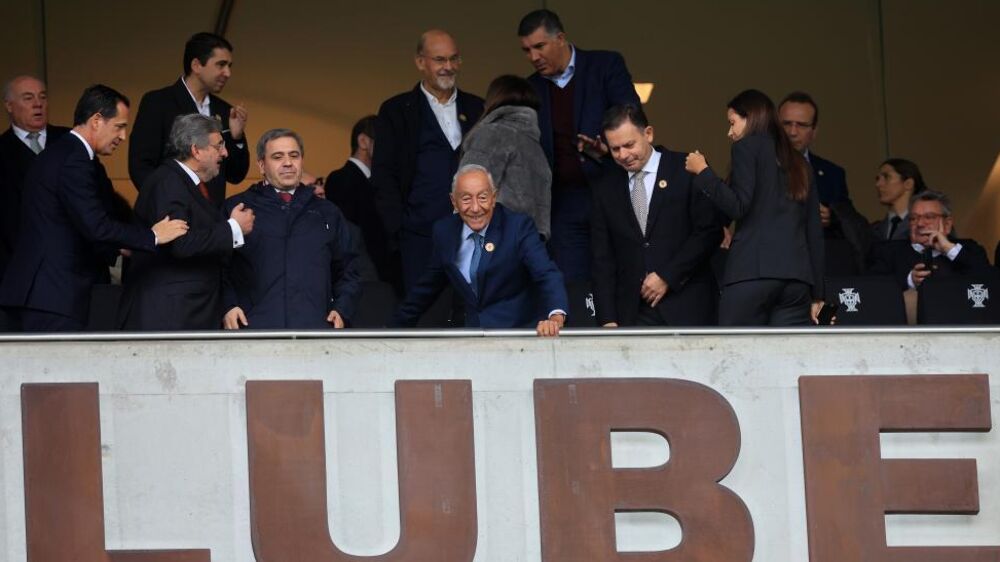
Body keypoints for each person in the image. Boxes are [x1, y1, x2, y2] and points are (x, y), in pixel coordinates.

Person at [0, 85, 189, 332]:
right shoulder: (74, 159)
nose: (123, 136)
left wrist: (121, 245)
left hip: (44, 292)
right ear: (97, 120)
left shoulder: (63, 151)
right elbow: (95, 225)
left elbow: (71, 221)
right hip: (52, 294)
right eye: (119, 126)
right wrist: (152, 236)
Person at [517, 9, 640, 281]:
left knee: (623, 274)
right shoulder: (530, 88)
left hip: (611, 189)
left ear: (560, 38)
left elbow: (631, 115)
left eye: (539, 46)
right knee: (571, 282)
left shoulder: (605, 65)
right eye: (526, 50)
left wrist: (607, 147)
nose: (533, 57)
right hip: (562, 202)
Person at [685, 89, 824, 326]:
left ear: (750, 118)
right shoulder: (800, 162)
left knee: (736, 347)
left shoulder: (746, 147)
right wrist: (818, 294)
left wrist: (703, 172)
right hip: (796, 281)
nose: (730, 132)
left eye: (732, 123)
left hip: (752, 272)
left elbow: (738, 206)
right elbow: (814, 231)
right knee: (786, 350)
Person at [393, 165, 567, 336]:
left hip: (517, 334)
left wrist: (555, 317)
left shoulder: (517, 227)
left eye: (483, 198)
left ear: (494, 198)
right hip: (473, 336)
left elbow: (546, 273)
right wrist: (391, 331)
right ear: (454, 201)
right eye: (466, 199)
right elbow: (427, 288)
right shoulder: (444, 232)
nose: (475, 208)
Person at [118, 114, 254, 330]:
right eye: (219, 145)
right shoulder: (169, 182)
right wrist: (233, 228)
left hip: (182, 312)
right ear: (196, 150)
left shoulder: (183, 182)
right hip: (170, 314)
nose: (225, 153)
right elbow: (180, 244)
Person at [371, 30, 484, 292]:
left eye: (454, 59)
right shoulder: (397, 111)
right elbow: (383, 174)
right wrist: (399, 228)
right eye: (440, 60)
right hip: (419, 238)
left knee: (473, 307)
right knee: (425, 310)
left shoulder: (477, 107)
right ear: (420, 62)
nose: (448, 67)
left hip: (473, 233)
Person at [591, 104, 723, 327]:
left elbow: (709, 232)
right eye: (615, 149)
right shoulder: (606, 187)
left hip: (688, 305)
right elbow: (602, 258)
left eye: (629, 145)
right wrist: (607, 319)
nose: (623, 155)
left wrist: (667, 276)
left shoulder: (686, 169)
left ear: (648, 134)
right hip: (634, 313)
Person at [222, 129, 361, 330]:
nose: (288, 163)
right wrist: (228, 306)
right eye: (277, 157)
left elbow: (349, 270)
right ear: (261, 165)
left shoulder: (327, 211)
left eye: (294, 155)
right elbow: (217, 267)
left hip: (314, 330)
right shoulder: (237, 209)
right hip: (254, 330)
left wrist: (342, 309)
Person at [129, 32, 249, 206]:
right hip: (170, 213)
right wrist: (166, 204)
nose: (228, 73)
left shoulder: (224, 111)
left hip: (212, 216)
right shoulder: (158, 102)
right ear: (196, 65)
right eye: (221, 65)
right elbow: (141, 166)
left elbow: (235, 175)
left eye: (229, 66)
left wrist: (236, 138)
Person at [0, 75, 72, 329]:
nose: (38, 104)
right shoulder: (1, 151)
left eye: (42, 97)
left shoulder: (70, 141)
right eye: (28, 98)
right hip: (18, 275)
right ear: (9, 105)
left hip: (71, 271)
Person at [779, 91, 872, 273]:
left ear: (814, 131)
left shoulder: (832, 174)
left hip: (819, 266)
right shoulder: (756, 166)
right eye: (786, 124)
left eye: (802, 125)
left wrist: (831, 217)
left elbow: (851, 221)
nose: (792, 132)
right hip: (771, 263)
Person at [459, 74, 551, 240]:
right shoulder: (536, 147)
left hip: (493, 237)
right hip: (528, 242)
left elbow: (469, 190)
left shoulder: (493, 133)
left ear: (494, 100)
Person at [868, 190, 990, 290]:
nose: (920, 224)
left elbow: (989, 279)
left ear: (947, 224)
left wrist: (948, 249)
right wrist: (910, 281)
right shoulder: (888, 252)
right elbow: (872, 288)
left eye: (929, 217)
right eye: (914, 218)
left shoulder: (971, 249)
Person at [326, 115, 395, 288]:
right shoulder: (342, 178)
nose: (390, 149)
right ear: (363, 141)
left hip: (382, 278)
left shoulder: (381, 182)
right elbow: (348, 235)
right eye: (384, 142)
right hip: (363, 279)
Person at [870, 158, 927, 242]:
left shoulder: (928, 226)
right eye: (878, 179)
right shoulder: (874, 230)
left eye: (886, 177)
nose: (878, 184)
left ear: (908, 184)